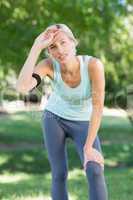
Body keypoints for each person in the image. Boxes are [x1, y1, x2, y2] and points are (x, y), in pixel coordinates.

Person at [16, 23, 108, 200]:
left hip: (84, 122)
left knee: (95, 169)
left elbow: (97, 107)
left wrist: (88, 147)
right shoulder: (48, 65)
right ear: (48, 51)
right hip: (54, 119)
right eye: (52, 46)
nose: (59, 50)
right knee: (59, 174)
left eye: (64, 42)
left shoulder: (93, 65)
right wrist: (36, 46)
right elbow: (22, 87)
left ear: (74, 43)